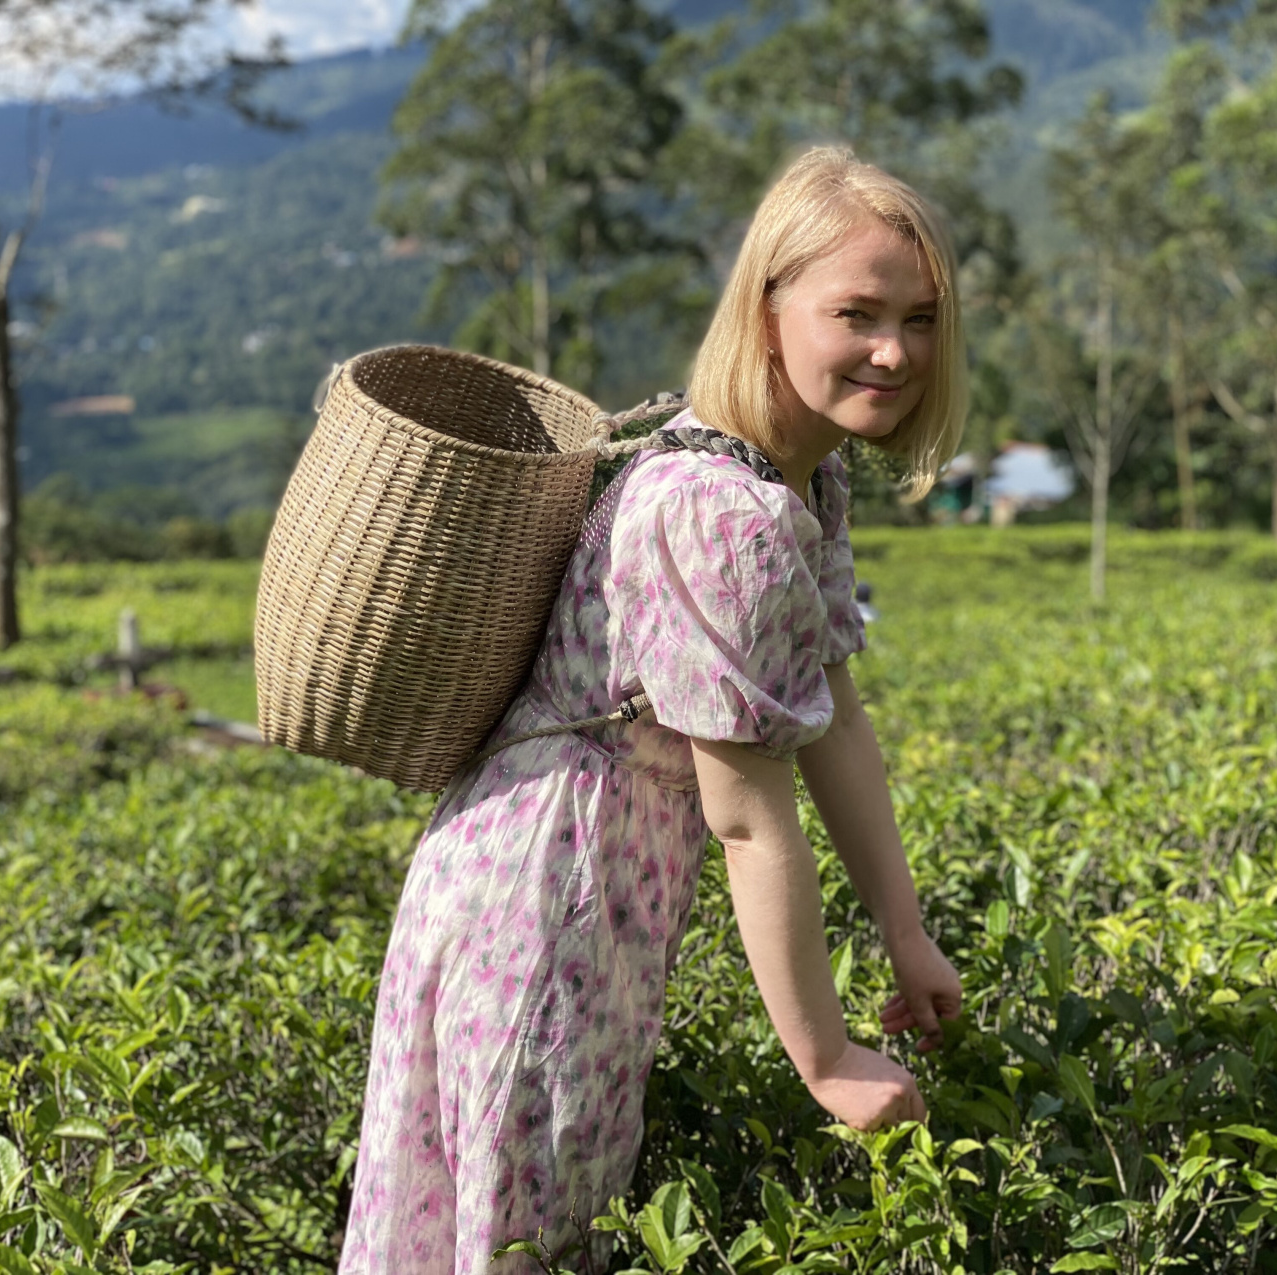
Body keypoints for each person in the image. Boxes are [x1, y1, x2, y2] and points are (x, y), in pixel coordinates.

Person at [338, 146, 967, 1275]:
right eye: (857, 313)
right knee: (515, 1235)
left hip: (581, 889)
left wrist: (903, 929)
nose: (894, 350)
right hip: (544, 902)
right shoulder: (719, 511)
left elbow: (833, 712)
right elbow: (743, 812)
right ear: (766, 312)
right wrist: (824, 1061)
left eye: (919, 318)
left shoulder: (796, 481)